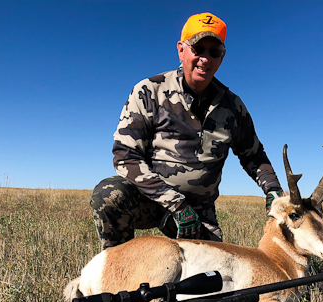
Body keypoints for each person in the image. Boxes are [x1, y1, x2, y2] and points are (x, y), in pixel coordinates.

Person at [91, 12, 283, 249]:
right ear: (181, 50)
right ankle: (116, 269)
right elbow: (125, 156)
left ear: (222, 57)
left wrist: (273, 190)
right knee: (108, 195)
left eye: (214, 52)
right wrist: (176, 204)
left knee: (214, 277)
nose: (205, 58)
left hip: (198, 211)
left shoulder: (233, 106)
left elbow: (253, 155)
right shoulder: (149, 91)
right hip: (151, 199)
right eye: (198, 48)